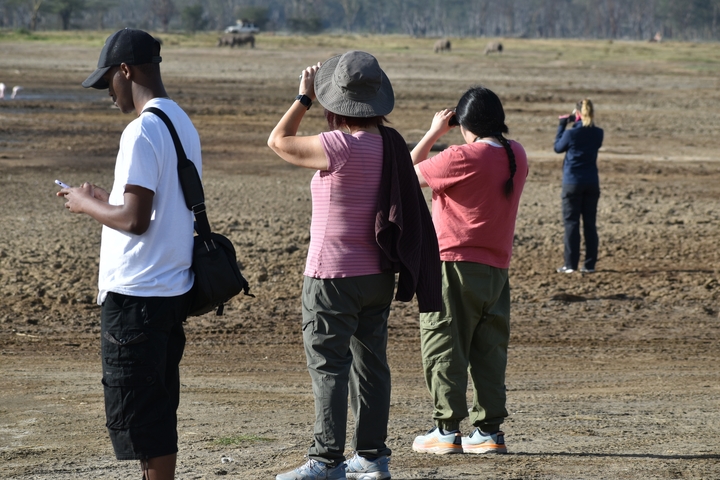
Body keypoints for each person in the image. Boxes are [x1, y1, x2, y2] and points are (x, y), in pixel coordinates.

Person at [267, 50, 440, 480]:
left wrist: (303, 98)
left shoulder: (336, 145)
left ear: (335, 102)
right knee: (372, 366)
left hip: (331, 276)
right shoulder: (391, 144)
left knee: (328, 368)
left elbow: (278, 140)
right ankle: (373, 457)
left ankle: (326, 461)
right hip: (378, 276)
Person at [57, 28, 201, 480]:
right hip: (169, 291)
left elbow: (136, 220)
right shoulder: (180, 121)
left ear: (126, 70)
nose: (108, 93)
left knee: (141, 418)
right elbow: (153, 207)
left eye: (108, 82)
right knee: (156, 412)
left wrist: (84, 204)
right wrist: (107, 198)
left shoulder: (140, 131)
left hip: (135, 299)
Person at [409, 87, 528, 455]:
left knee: (444, 344)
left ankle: (445, 431)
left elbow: (403, 174)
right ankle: (489, 432)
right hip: (496, 270)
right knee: (489, 351)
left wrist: (433, 133)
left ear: (465, 124)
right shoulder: (516, 154)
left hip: (452, 265)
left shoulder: (460, 156)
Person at [554, 98, 604, 274]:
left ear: (577, 114)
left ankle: (570, 264)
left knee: (571, 224)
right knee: (590, 224)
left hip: (572, 183)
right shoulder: (599, 133)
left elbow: (558, 148)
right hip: (591, 182)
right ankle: (589, 265)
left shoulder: (571, 134)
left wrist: (562, 125)